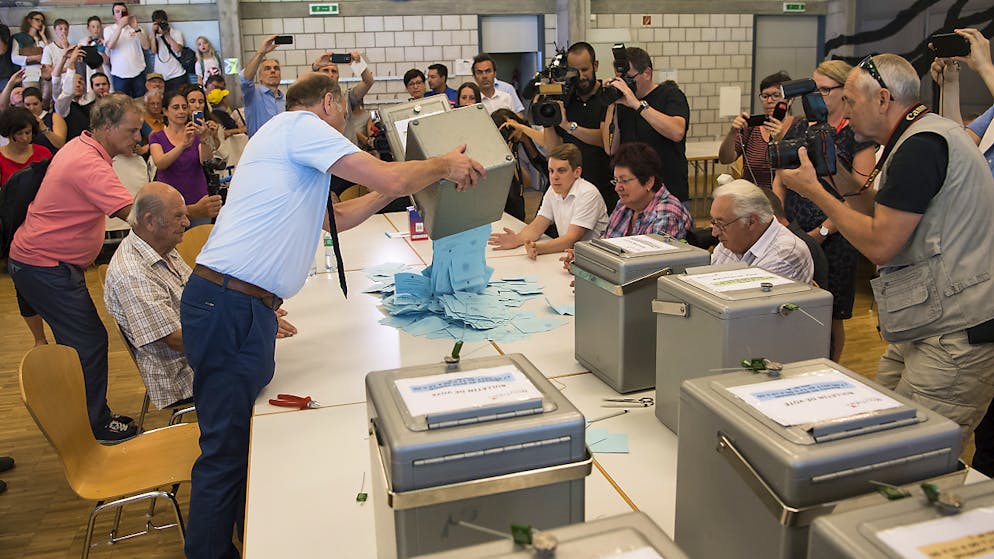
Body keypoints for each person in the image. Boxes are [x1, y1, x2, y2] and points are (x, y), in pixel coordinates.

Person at [179, 72, 483, 558]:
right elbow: (388, 174)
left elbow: (334, 219)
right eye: (343, 111)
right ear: (329, 102)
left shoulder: (285, 142)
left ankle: (238, 541)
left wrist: (394, 189)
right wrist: (444, 164)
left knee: (240, 446)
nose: (345, 123)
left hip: (241, 304)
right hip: (231, 304)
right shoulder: (302, 127)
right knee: (224, 453)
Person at [779, 53, 994, 445]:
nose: (845, 111)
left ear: (883, 99)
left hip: (954, 334)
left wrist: (813, 192)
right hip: (926, 324)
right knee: (880, 435)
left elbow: (880, 243)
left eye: (850, 101)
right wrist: (830, 173)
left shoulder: (922, 146)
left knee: (915, 454)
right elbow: (873, 208)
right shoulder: (916, 138)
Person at [7, 94, 143, 444]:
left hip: (41, 261)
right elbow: (139, 217)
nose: (137, 138)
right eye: (132, 130)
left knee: (79, 343)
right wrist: (190, 208)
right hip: (44, 265)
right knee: (88, 342)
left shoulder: (82, 147)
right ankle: (95, 425)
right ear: (108, 128)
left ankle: (84, 416)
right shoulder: (88, 163)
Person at [104, 183, 299, 412]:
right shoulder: (132, 273)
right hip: (184, 375)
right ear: (150, 221)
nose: (186, 223)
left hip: (201, 353)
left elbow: (204, 297)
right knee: (277, 376)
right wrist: (246, 328)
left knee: (284, 359)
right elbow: (178, 340)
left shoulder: (160, 246)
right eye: (178, 216)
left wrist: (247, 310)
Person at [773, 60, 877, 362]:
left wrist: (822, 231)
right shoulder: (801, 125)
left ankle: (829, 367)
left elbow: (858, 194)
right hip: (794, 227)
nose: (815, 96)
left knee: (831, 312)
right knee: (791, 305)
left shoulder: (857, 135)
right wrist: (780, 218)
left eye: (823, 90)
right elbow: (781, 174)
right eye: (812, 88)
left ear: (844, 92)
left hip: (836, 234)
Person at [603, 46, 691, 204]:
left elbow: (677, 132)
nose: (625, 84)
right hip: (634, 199)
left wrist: (637, 105)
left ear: (647, 73)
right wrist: (611, 103)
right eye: (620, 79)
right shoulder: (622, 104)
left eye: (629, 78)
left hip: (669, 196)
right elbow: (610, 148)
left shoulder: (670, 95)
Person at [489, 143, 608, 259]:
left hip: (596, 260)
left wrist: (538, 248)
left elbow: (572, 239)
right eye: (551, 171)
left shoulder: (588, 193)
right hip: (573, 256)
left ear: (577, 172)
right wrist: (517, 239)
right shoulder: (553, 190)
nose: (554, 177)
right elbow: (537, 226)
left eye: (561, 171)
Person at [0, 106, 53, 347]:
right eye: (19, 134)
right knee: (23, 288)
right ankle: (38, 339)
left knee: (53, 283)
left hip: (45, 229)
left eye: (28, 133)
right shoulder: (1, 158)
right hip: (15, 231)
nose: (25, 138)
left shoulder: (42, 153)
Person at [540, 42, 615, 210]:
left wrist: (568, 126)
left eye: (585, 70)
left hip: (602, 187)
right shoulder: (565, 100)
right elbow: (554, 149)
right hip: (568, 192)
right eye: (575, 71)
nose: (581, 76)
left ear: (595, 66)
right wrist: (548, 118)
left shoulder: (607, 97)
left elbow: (605, 140)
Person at [709, 179, 814, 283]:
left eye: (721, 224)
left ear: (751, 222)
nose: (714, 233)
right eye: (714, 222)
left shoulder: (785, 255)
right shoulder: (732, 240)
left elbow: (746, 298)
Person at [148, 89, 221, 227]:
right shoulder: (156, 137)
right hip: (169, 203)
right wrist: (182, 145)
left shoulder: (195, 133)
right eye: (175, 107)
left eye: (184, 107)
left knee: (199, 242)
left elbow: (205, 161)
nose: (181, 111)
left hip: (199, 200)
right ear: (165, 111)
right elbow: (160, 162)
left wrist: (205, 138)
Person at [718, 71, 795, 190]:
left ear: (790, 100)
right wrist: (732, 132)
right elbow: (725, 159)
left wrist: (781, 140)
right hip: (755, 197)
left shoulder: (799, 127)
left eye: (776, 95)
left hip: (788, 199)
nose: (770, 101)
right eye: (765, 96)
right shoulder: (751, 129)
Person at [602, 142, 691, 239]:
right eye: (616, 181)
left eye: (624, 181)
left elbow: (653, 254)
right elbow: (604, 243)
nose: (617, 188)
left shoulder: (666, 213)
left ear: (649, 182)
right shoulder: (623, 205)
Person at [492, 108, 547, 221]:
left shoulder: (534, 130)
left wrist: (521, 128)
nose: (510, 130)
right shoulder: (514, 146)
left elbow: (547, 142)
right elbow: (526, 183)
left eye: (510, 125)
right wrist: (508, 159)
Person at [240, 34, 284, 137]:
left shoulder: (286, 100)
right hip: (260, 151)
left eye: (276, 68)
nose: (273, 71)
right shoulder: (252, 96)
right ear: (259, 76)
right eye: (267, 68)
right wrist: (261, 52)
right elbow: (245, 79)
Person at [104, 2, 150, 97]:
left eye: (123, 12)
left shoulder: (137, 28)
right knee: (122, 104)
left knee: (140, 102)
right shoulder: (109, 29)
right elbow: (110, 45)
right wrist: (120, 26)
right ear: (113, 15)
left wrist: (136, 28)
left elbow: (146, 46)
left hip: (138, 72)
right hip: (119, 74)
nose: (121, 14)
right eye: (117, 12)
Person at [148, 10, 187, 91]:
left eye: (162, 22)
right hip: (161, 76)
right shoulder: (154, 35)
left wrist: (167, 34)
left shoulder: (176, 33)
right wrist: (153, 33)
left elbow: (177, 49)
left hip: (177, 74)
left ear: (167, 21)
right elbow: (153, 51)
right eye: (157, 23)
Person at [21, 86, 66, 153]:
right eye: (28, 105)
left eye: (35, 104)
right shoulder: (21, 120)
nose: (32, 108)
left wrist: (44, 128)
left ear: (41, 102)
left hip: (51, 158)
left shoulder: (54, 117)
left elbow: (60, 144)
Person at [10, 12, 48, 90]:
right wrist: (35, 58)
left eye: (42, 21)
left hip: (44, 74)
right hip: (29, 74)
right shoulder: (19, 38)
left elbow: (49, 54)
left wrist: (43, 36)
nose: (40, 23)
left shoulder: (41, 39)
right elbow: (14, 58)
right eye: (37, 20)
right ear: (29, 21)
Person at [40, 18, 70, 105]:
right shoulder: (49, 48)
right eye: (60, 29)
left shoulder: (72, 48)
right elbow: (48, 70)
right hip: (55, 83)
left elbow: (73, 66)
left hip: (69, 82)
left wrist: (65, 47)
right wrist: (66, 69)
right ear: (55, 31)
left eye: (66, 29)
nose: (63, 31)